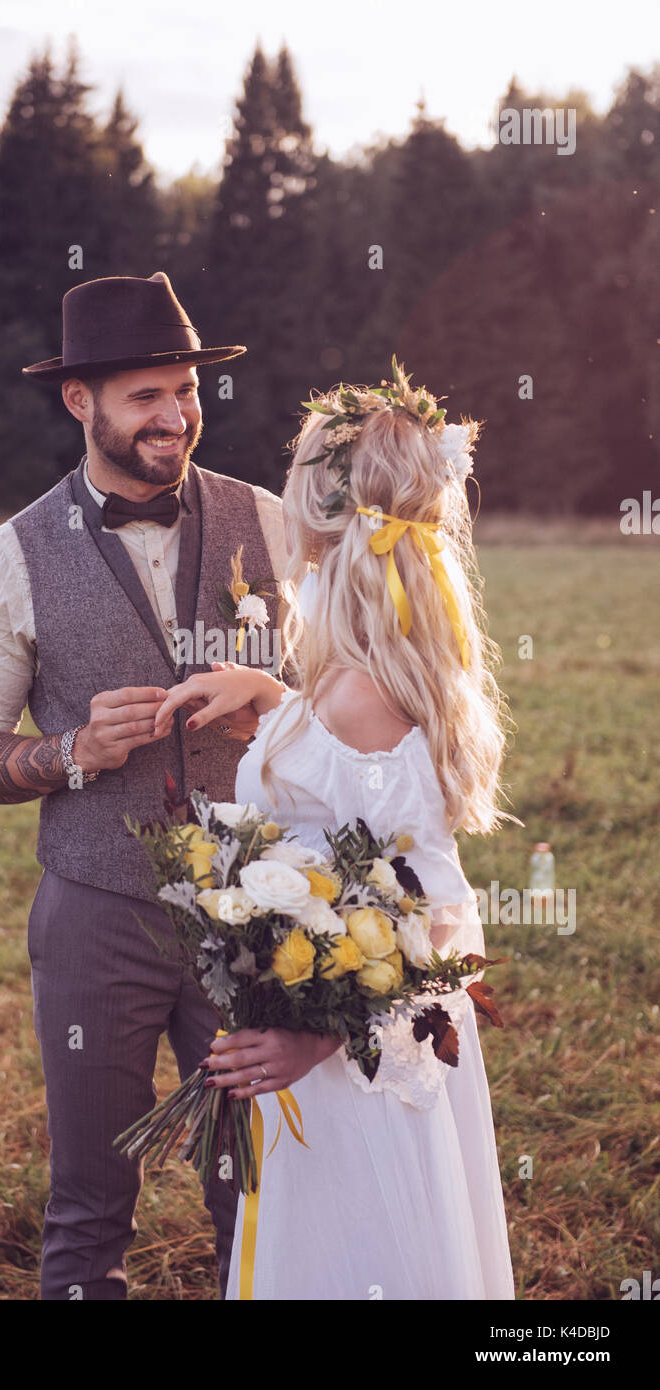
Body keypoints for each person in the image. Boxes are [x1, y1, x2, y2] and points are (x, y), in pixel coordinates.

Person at [0, 271, 286, 1300]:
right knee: (90, 1199)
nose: (177, 416)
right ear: (79, 401)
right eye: (146, 395)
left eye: (187, 390)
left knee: (260, 1187)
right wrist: (72, 752)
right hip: (95, 915)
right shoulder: (9, 558)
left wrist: (274, 689)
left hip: (256, 905)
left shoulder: (270, 522)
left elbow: (344, 701)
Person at [153, 366, 516, 1299]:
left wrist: (315, 1042)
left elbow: (426, 912)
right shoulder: (376, 675)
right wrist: (274, 701)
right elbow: (366, 812)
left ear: (317, 510)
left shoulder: (358, 693)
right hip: (358, 1047)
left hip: (350, 1065)